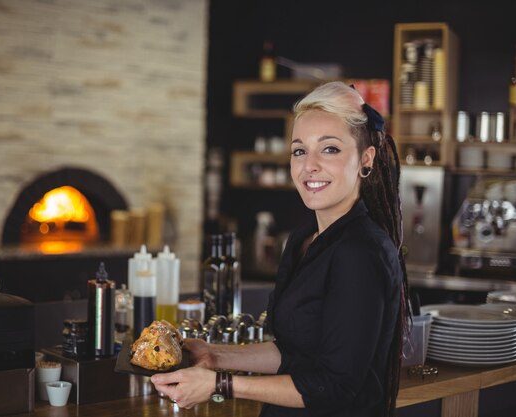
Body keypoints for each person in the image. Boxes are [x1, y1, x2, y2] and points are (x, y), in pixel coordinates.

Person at [151, 81, 409, 417]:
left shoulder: (362, 253)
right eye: (299, 150)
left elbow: (335, 388)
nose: (309, 165)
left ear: (365, 159)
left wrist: (219, 384)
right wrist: (215, 356)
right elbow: (292, 353)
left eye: (329, 149)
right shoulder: (304, 239)